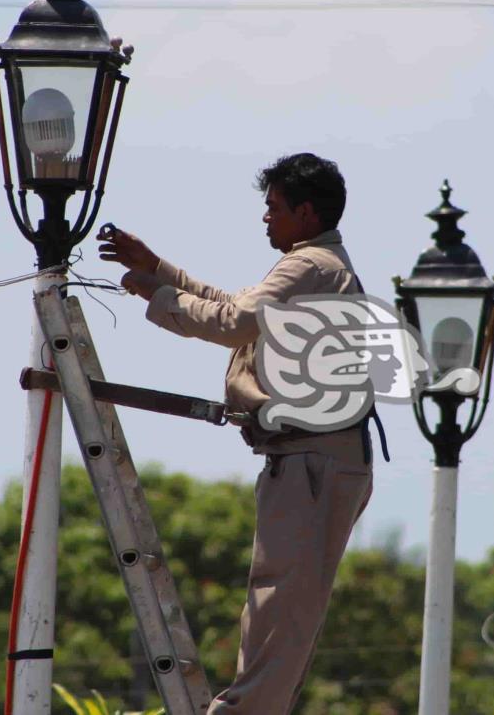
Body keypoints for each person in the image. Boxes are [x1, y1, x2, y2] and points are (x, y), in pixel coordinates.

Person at [98, 152, 375, 714]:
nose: (265, 219)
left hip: (312, 460)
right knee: (277, 613)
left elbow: (235, 324)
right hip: (308, 459)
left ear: (303, 211)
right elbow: (237, 307)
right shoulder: (313, 266)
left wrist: (153, 291)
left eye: (273, 207)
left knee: (281, 615)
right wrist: (160, 271)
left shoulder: (310, 266)